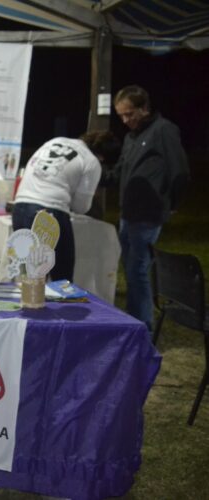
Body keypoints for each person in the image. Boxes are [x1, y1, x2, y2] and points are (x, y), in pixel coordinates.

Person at [109, 85, 189, 331]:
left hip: (148, 215)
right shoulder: (131, 137)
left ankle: (142, 327)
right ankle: (135, 320)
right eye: (121, 116)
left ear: (144, 108)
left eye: (129, 114)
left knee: (139, 270)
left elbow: (180, 172)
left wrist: (171, 203)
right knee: (131, 270)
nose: (125, 120)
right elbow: (118, 172)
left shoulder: (164, 130)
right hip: (127, 214)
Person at [12, 131, 121, 281]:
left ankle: (29, 296)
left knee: (29, 273)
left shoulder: (56, 141)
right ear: (102, 157)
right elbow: (81, 207)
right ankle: (54, 297)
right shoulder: (91, 162)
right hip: (49, 212)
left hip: (20, 206)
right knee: (62, 276)